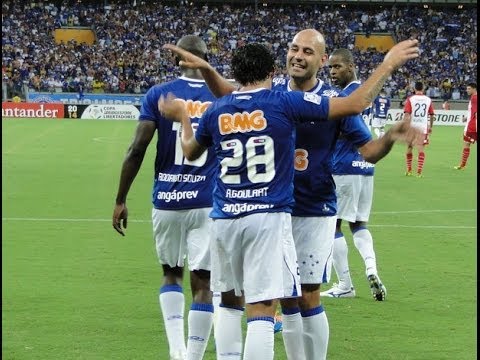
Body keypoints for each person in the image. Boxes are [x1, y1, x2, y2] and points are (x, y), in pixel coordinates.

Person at [159, 38, 421, 360]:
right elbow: (233, 92)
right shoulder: (279, 95)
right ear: (279, 61)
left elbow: (367, 149)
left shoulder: (325, 98)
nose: (298, 56)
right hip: (274, 213)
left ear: (322, 59)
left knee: (304, 296)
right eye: (294, 49)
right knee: (276, 301)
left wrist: (389, 136)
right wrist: (208, 69)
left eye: (307, 52)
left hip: (310, 209)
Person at [111, 35, 218, 360]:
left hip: (168, 201)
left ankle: (176, 351)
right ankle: (193, 357)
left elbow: (136, 149)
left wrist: (120, 199)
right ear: (204, 58)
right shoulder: (221, 94)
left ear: (177, 60)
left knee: (171, 273)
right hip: (208, 202)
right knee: (204, 283)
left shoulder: (159, 95)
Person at [321, 48, 387, 301]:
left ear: (351, 66)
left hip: (343, 166)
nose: (333, 73)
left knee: (332, 225)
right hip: (365, 168)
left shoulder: (345, 96)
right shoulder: (366, 94)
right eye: (330, 68)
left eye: (337, 67)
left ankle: (346, 284)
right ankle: (371, 268)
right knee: (359, 224)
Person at [403, 81, 435, 177]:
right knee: (420, 149)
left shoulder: (411, 99)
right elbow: (432, 115)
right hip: (423, 127)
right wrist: (431, 126)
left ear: (414, 89)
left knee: (409, 147)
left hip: (412, 127)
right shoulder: (428, 100)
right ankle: (419, 172)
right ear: (423, 88)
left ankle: (409, 171)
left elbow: (407, 114)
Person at [454, 82, 477, 170]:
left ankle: (462, 165)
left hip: (472, 126)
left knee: (466, 144)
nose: (467, 90)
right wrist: (467, 117)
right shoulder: (474, 97)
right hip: (472, 123)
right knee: (467, 144)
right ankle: (462, 165)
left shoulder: (474, 98)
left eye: (469, 89)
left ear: (474, 89)